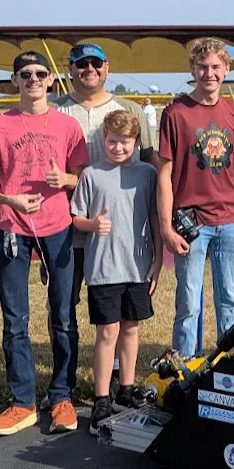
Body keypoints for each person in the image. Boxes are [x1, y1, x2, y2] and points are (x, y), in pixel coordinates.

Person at [0, 51, 88, 436]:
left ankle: (61, 396)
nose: (34, 79)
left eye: (40, 73)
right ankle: (22, 401)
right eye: (25, 74)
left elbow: (82, 179)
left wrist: (66, 182)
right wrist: (11, 199)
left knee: (62, 315)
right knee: (15, 319)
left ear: (51, 80)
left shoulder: (67, 126)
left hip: (57, 226)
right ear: (14, 80)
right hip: (11, 227)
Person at [54, 41, 156, 403]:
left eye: (96, 63)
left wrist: (158, 252)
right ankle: (63, 388)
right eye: (81, 64)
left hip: (126, 246)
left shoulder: (128, 110)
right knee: (66, 311)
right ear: (71, 69)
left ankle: (121, 385)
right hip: (71, 228)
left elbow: (152, 168)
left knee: (126, 325)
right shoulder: (56, 110)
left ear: (107, 68)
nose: (89, 69)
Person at [157, 37, 234, 357]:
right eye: (202, 67)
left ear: (226, 70)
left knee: (229, 300)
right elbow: (164, 173)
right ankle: (183, 369)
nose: (209, 73)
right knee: (188, 303)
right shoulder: (176, 113)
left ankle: (226, 366)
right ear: (192, 69)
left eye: (216, 67)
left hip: (229, 219)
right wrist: (165, 227)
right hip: (191, 221)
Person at [71, 110, 161, 434]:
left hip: (136, 266)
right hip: (103, 267)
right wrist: (92, 224)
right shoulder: (92, 175)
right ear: (103, 141)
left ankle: (126, 387)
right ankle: (102, 397)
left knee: (131, 330)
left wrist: (159, 257)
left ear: (136, 142)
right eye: (112, 141)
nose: (118, 148)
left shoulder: (147, 174)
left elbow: (154, 217)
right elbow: (76, 217)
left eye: (124, 142)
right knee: (107, 332)